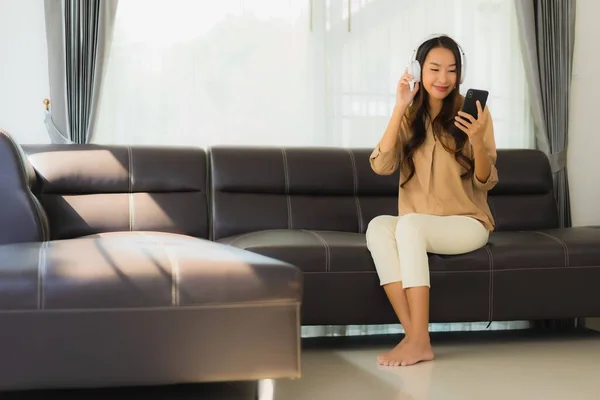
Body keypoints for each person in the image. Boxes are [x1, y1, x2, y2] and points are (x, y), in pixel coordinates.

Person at [366, 34, 498, 367]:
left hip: (467, 222)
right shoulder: (409, 114)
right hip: (420, 224)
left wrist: (478, 140)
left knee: (408, 225)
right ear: (418, 69)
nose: (443, 79)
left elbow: (486, 180)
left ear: (460, 74)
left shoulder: (476, 113)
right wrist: (399, 108)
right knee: (378, 227)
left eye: (452, 70)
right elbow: (381, 165)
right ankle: (416, 336)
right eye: (434, 68)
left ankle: (417, 340)